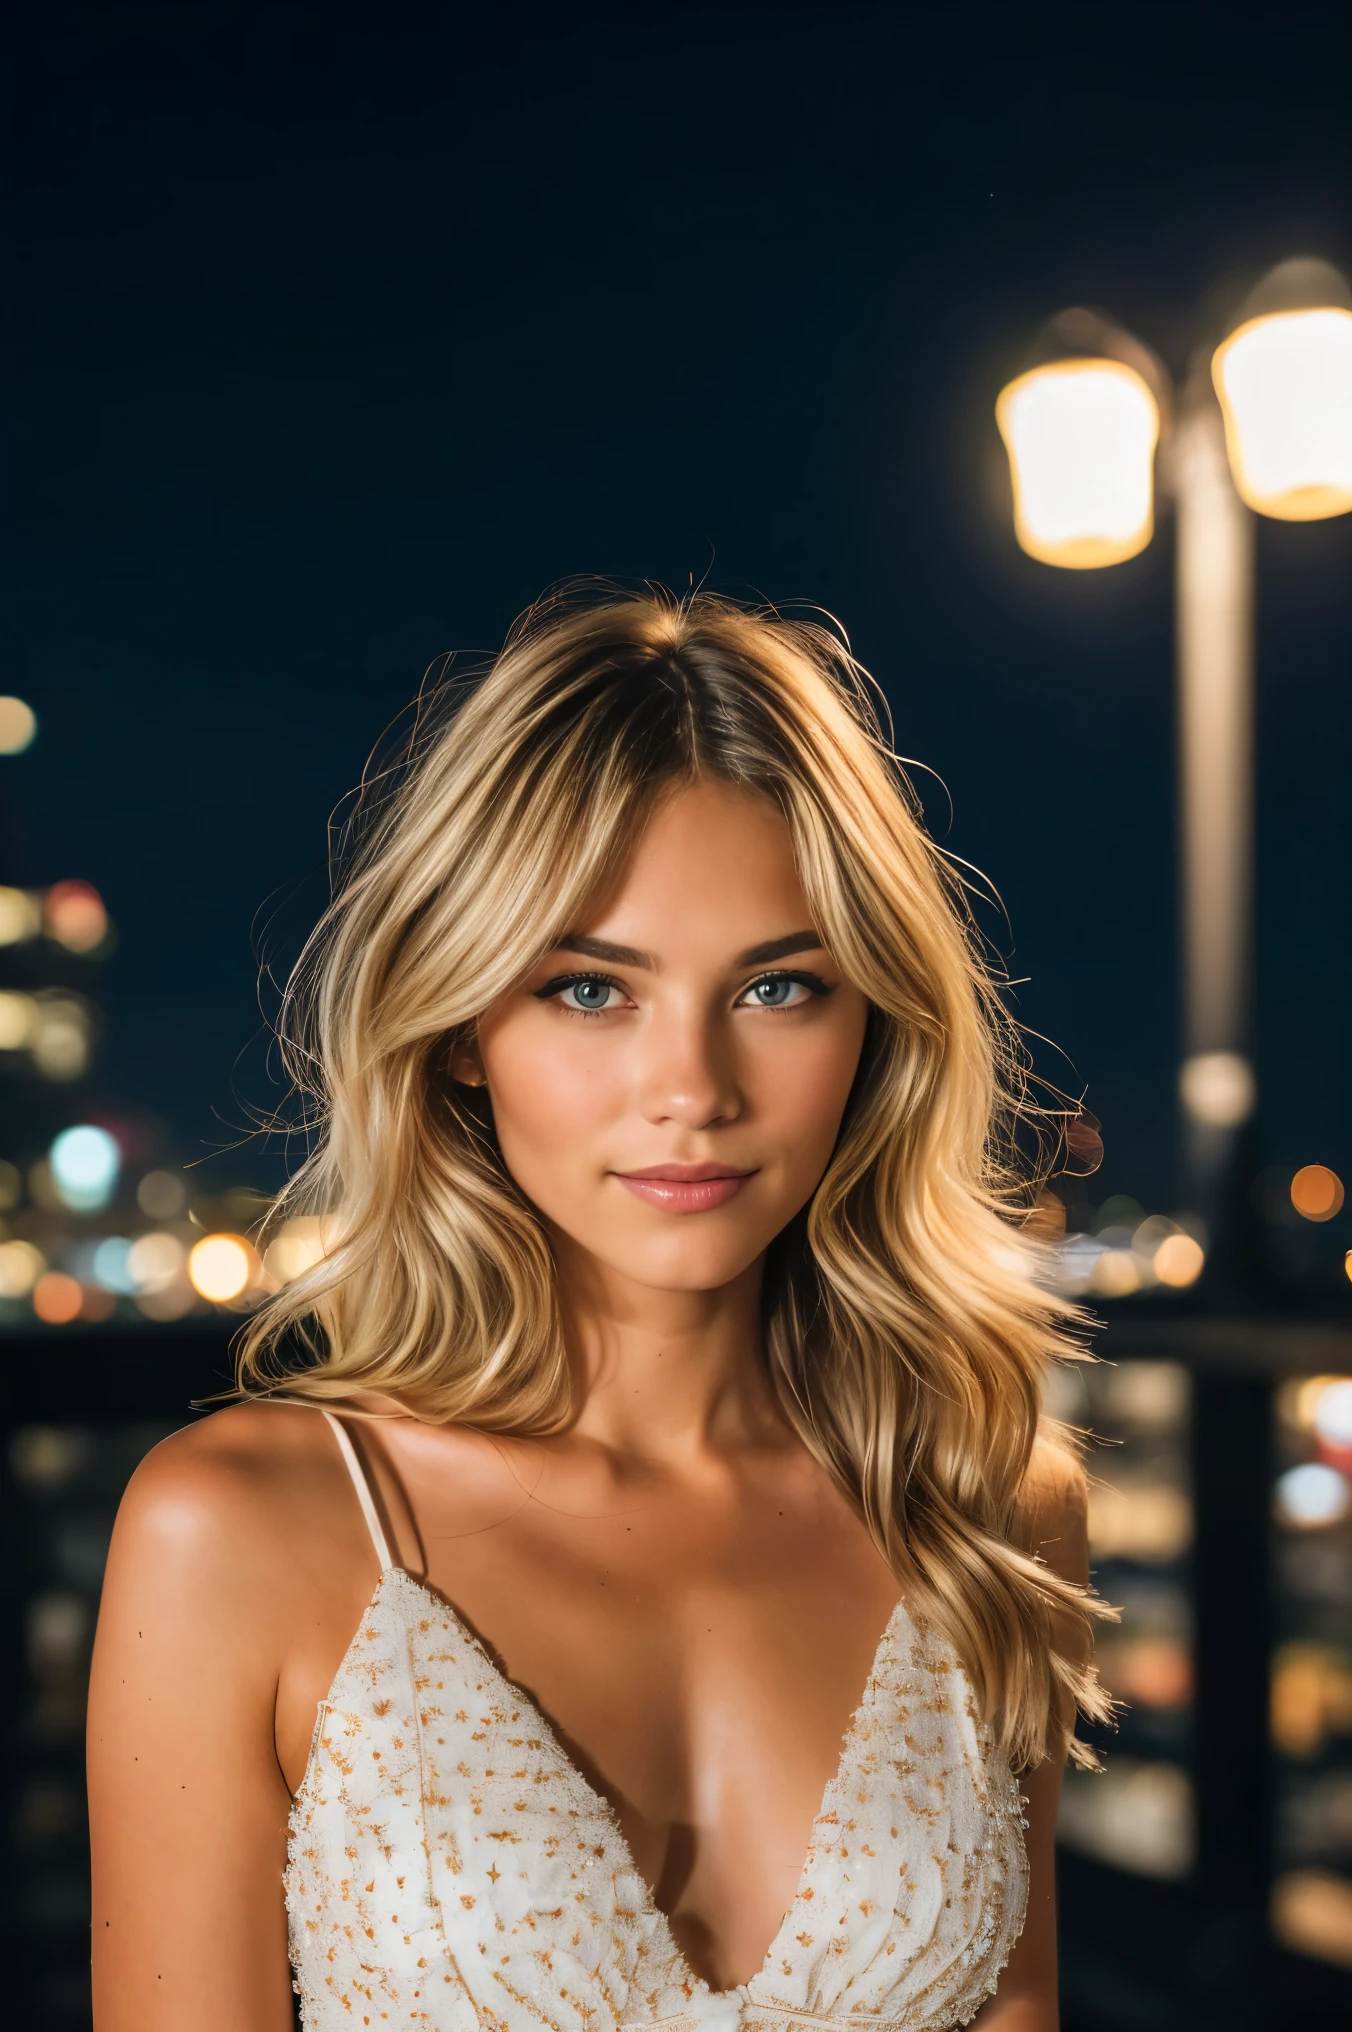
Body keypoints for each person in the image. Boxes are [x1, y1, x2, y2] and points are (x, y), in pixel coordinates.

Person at [87, 587, 1109, 2032]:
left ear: (875, 1024)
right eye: (588, 989)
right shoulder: (239, 1532)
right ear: (456, 1030)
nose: (691, 1088)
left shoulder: (988, 1511)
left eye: (775, 986)